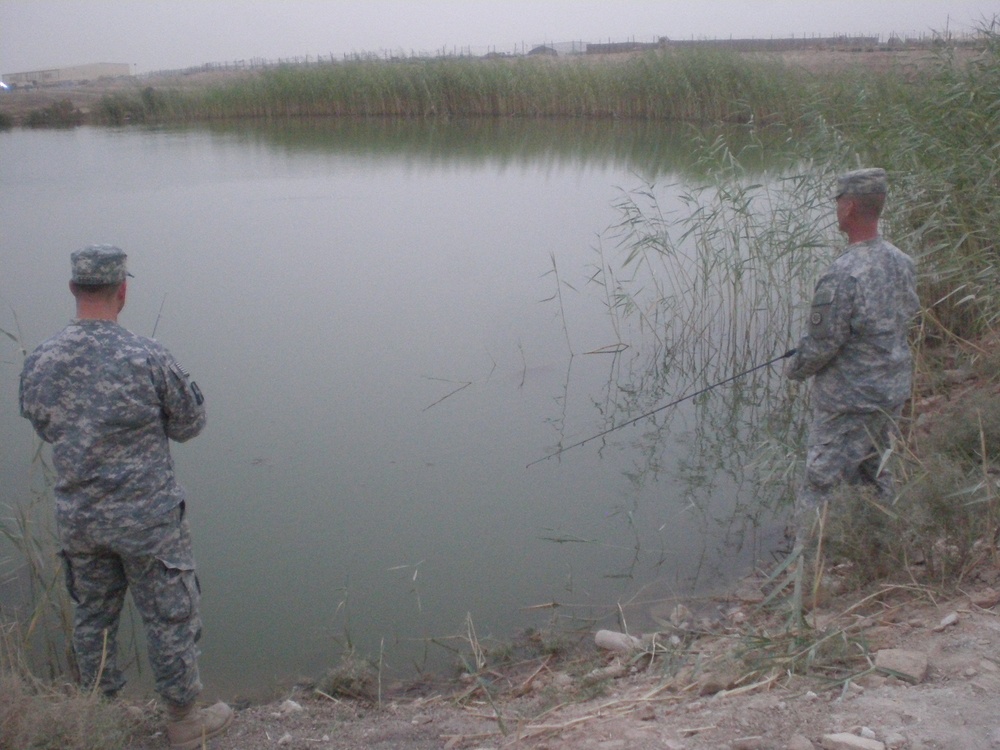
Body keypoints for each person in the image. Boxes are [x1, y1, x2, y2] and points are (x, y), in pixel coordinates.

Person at [19, 245, 233, 749]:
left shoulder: (42, 359)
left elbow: (44, 426)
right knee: (169, 615)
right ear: (123, 290)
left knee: (93, 617)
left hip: (81, 519)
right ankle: (183, 719)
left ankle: (94, 718)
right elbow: (190, 424)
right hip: (148, 520)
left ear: (73, 289)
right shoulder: (147, 355)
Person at [785, 168, 920, 513]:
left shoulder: (842, 273)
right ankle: (881, 543)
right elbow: (906, 314)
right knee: (875, 471)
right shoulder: (902, 261)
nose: (836, 209)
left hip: (849, 400)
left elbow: (822, 344)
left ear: (848, 208)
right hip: (891, 391)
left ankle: (809, 554)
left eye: (838, 201)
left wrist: (796, 368)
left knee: (820, 481)